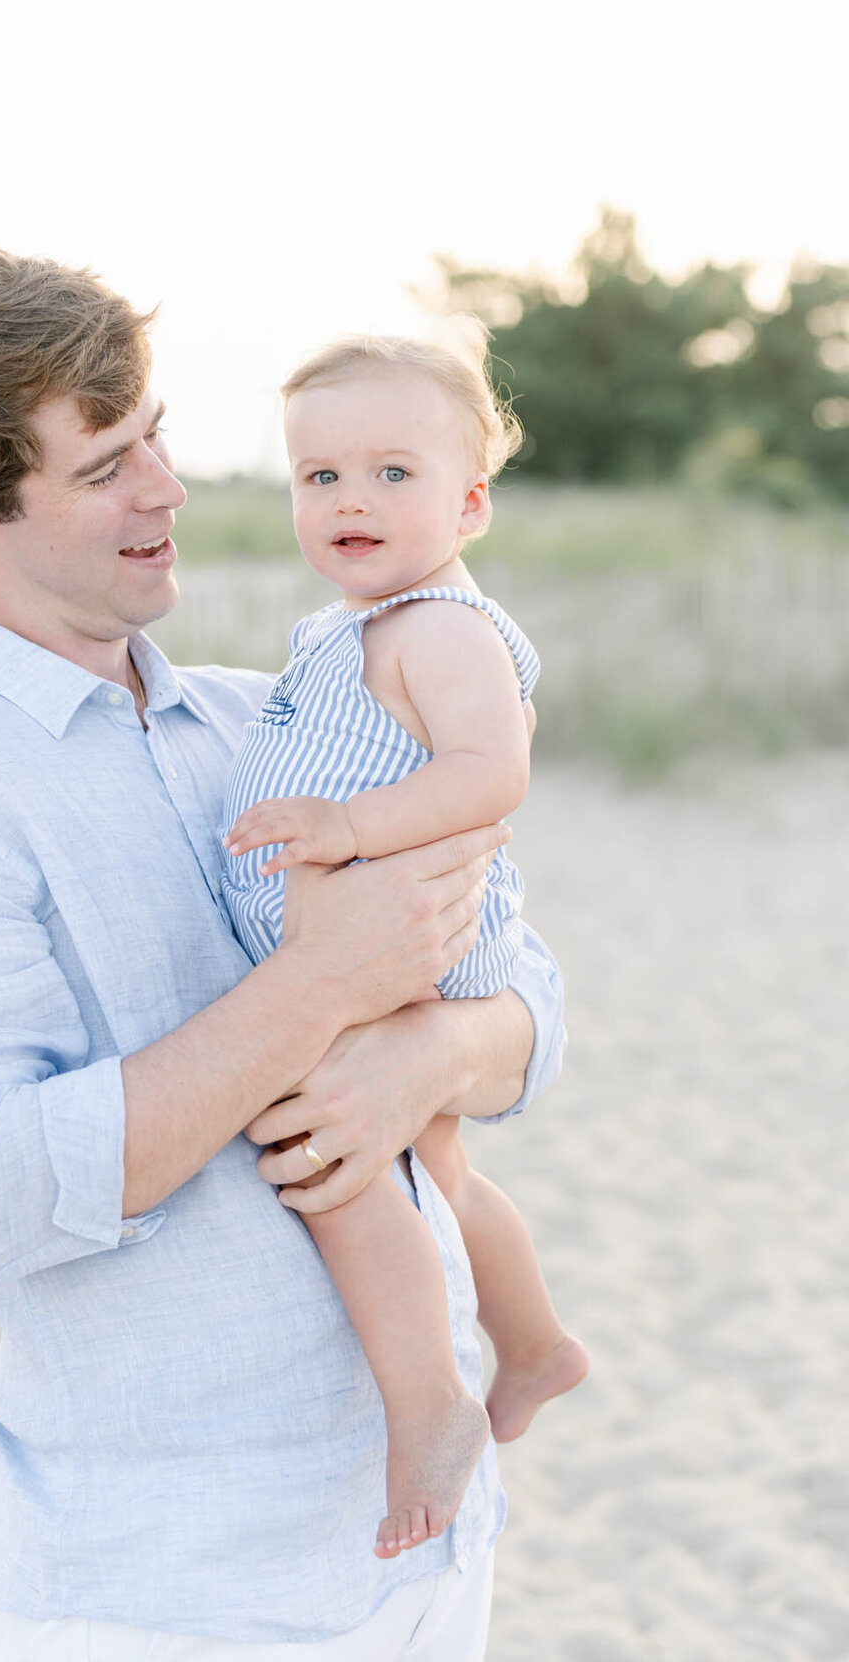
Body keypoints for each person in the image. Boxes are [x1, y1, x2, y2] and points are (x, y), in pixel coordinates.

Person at [0, 244, 567, 1661]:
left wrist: (433, 1052)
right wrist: (319, 993)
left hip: (426, 1557)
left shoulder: (261, 713)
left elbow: (528, 987)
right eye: (104, 467)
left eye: (154, 432)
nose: (168, 488)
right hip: (173, 1588)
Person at [222, 331, 588, 1563]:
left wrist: (345, 826)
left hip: (414, 928)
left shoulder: (442, 628)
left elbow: (495, 772)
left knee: (332, 1150)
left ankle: (428, 1396)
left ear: (469, 500)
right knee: (437, 1160)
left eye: (391, 472)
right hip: (378, 935)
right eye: (319, 477)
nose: (349, 500)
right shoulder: (342, 629)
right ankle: (533, 1342)